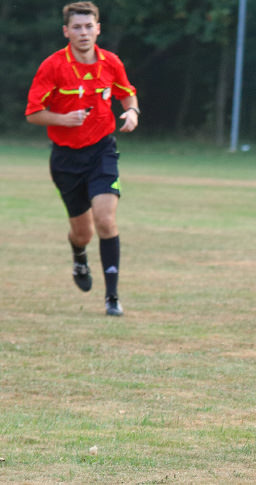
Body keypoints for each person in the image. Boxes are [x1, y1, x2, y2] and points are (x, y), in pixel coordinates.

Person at [25, 1, 139, 316]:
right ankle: (79, 255)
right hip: (65, 159)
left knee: (105, 218)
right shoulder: (53, 66)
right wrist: (65, 119)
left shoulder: (110, 62)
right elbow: (33, 114)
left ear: (98, 28)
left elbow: (126, 91)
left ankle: (112, 298)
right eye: (77, 27)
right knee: (83, 232)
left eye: (89, 26)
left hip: (102, 149)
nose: (83, 32)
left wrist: (131, 110)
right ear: (66, 31)